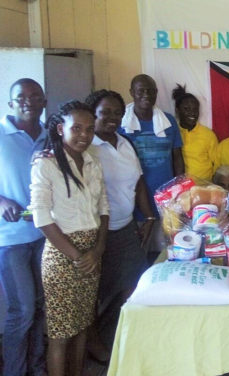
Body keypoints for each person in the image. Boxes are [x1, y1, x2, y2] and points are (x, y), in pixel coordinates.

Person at [29, 101, 109, 376]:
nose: (84, 135)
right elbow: (41, 218)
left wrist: (97, 250)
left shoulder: (92, 161)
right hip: (63, 256)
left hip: (91, 253)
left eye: (89, 129)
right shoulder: (46, 164)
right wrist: (78, 257)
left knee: (83, 325)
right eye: (76, 129)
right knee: (61, 333)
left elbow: (104, 209)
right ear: (62, 128)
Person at [85, 89, 154, 355]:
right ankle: (94, 343)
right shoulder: (86, 145)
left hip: (125, 227)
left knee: (133, 284)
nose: (113, 118)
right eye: (106, 112)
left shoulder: (125, 143)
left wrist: (148, 216)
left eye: (118, 113)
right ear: (94, 114)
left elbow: (138, 184)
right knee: (94, 291)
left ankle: (128, 338)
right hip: (94, 232)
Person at [0, 78, 47, 376]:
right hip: (11, 239)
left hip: (46, 235)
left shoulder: (49, 136)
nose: (28, 101)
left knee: (42, 308)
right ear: (10, 104)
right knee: (23, 311)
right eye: (21, 97)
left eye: (35, 96)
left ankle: (38, 368)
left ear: (44, 101)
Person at [119, 74, 184, 260]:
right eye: (140, 91)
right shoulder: (121, 125)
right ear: (132, 93)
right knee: (139, 255)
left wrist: (179, 191)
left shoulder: (169, 122)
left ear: (156, 93)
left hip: (166, 201)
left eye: (150, 91)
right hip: (134, 201)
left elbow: (177, 157)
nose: (145, 95)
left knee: (165, 253)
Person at [172, 84, 218, 180]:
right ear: (177, 111)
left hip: (204, 187)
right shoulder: (173, 133)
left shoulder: (208, 135)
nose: (192, 113)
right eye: (186, 109)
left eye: (195, 109)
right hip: (181, 188)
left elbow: (217, 163)